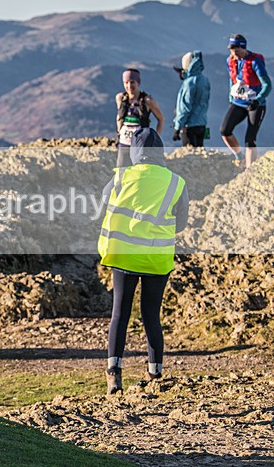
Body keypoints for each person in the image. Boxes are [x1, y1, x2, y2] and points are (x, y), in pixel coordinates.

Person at [98, 128, 189, 395]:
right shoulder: (176, 182)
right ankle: (155, 373)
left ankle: (114, 374)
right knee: (151, 315)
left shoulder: (121, 176)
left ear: (136, 152)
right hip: (156, 259)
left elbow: (104, 204)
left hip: (124, 255)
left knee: (120, 314)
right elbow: (181, 224)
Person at [221, 34, 271, 169]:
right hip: (238, 102)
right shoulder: (230, 61)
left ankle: (249, 171)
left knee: (250, 140)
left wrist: (258, 100)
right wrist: (231, 98)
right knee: (225, 130)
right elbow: (232, 80)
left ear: (243, 48)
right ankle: (239, 156)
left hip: (255, 105)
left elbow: (267, 85)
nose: (234, 54)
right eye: (232, 51)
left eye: (236, 51)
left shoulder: (255, 62)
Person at [115, 69, 164, 167]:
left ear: (138, 82)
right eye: (126, 82)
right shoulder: (121, 98)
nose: (129, 86)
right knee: (121, 171)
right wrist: (119, 132)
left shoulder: (148, 101)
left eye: (132, 82)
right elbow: (119, 117)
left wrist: (154, 139)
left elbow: (161, 119)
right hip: (124, 143)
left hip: (140, 146)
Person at [173, 51, 210, 147]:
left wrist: (177, 128)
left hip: (189, 125)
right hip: (202, 123)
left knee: (190, 153)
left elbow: (185, 108)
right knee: (199, 151)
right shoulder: (205, 80)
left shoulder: (189, 83)